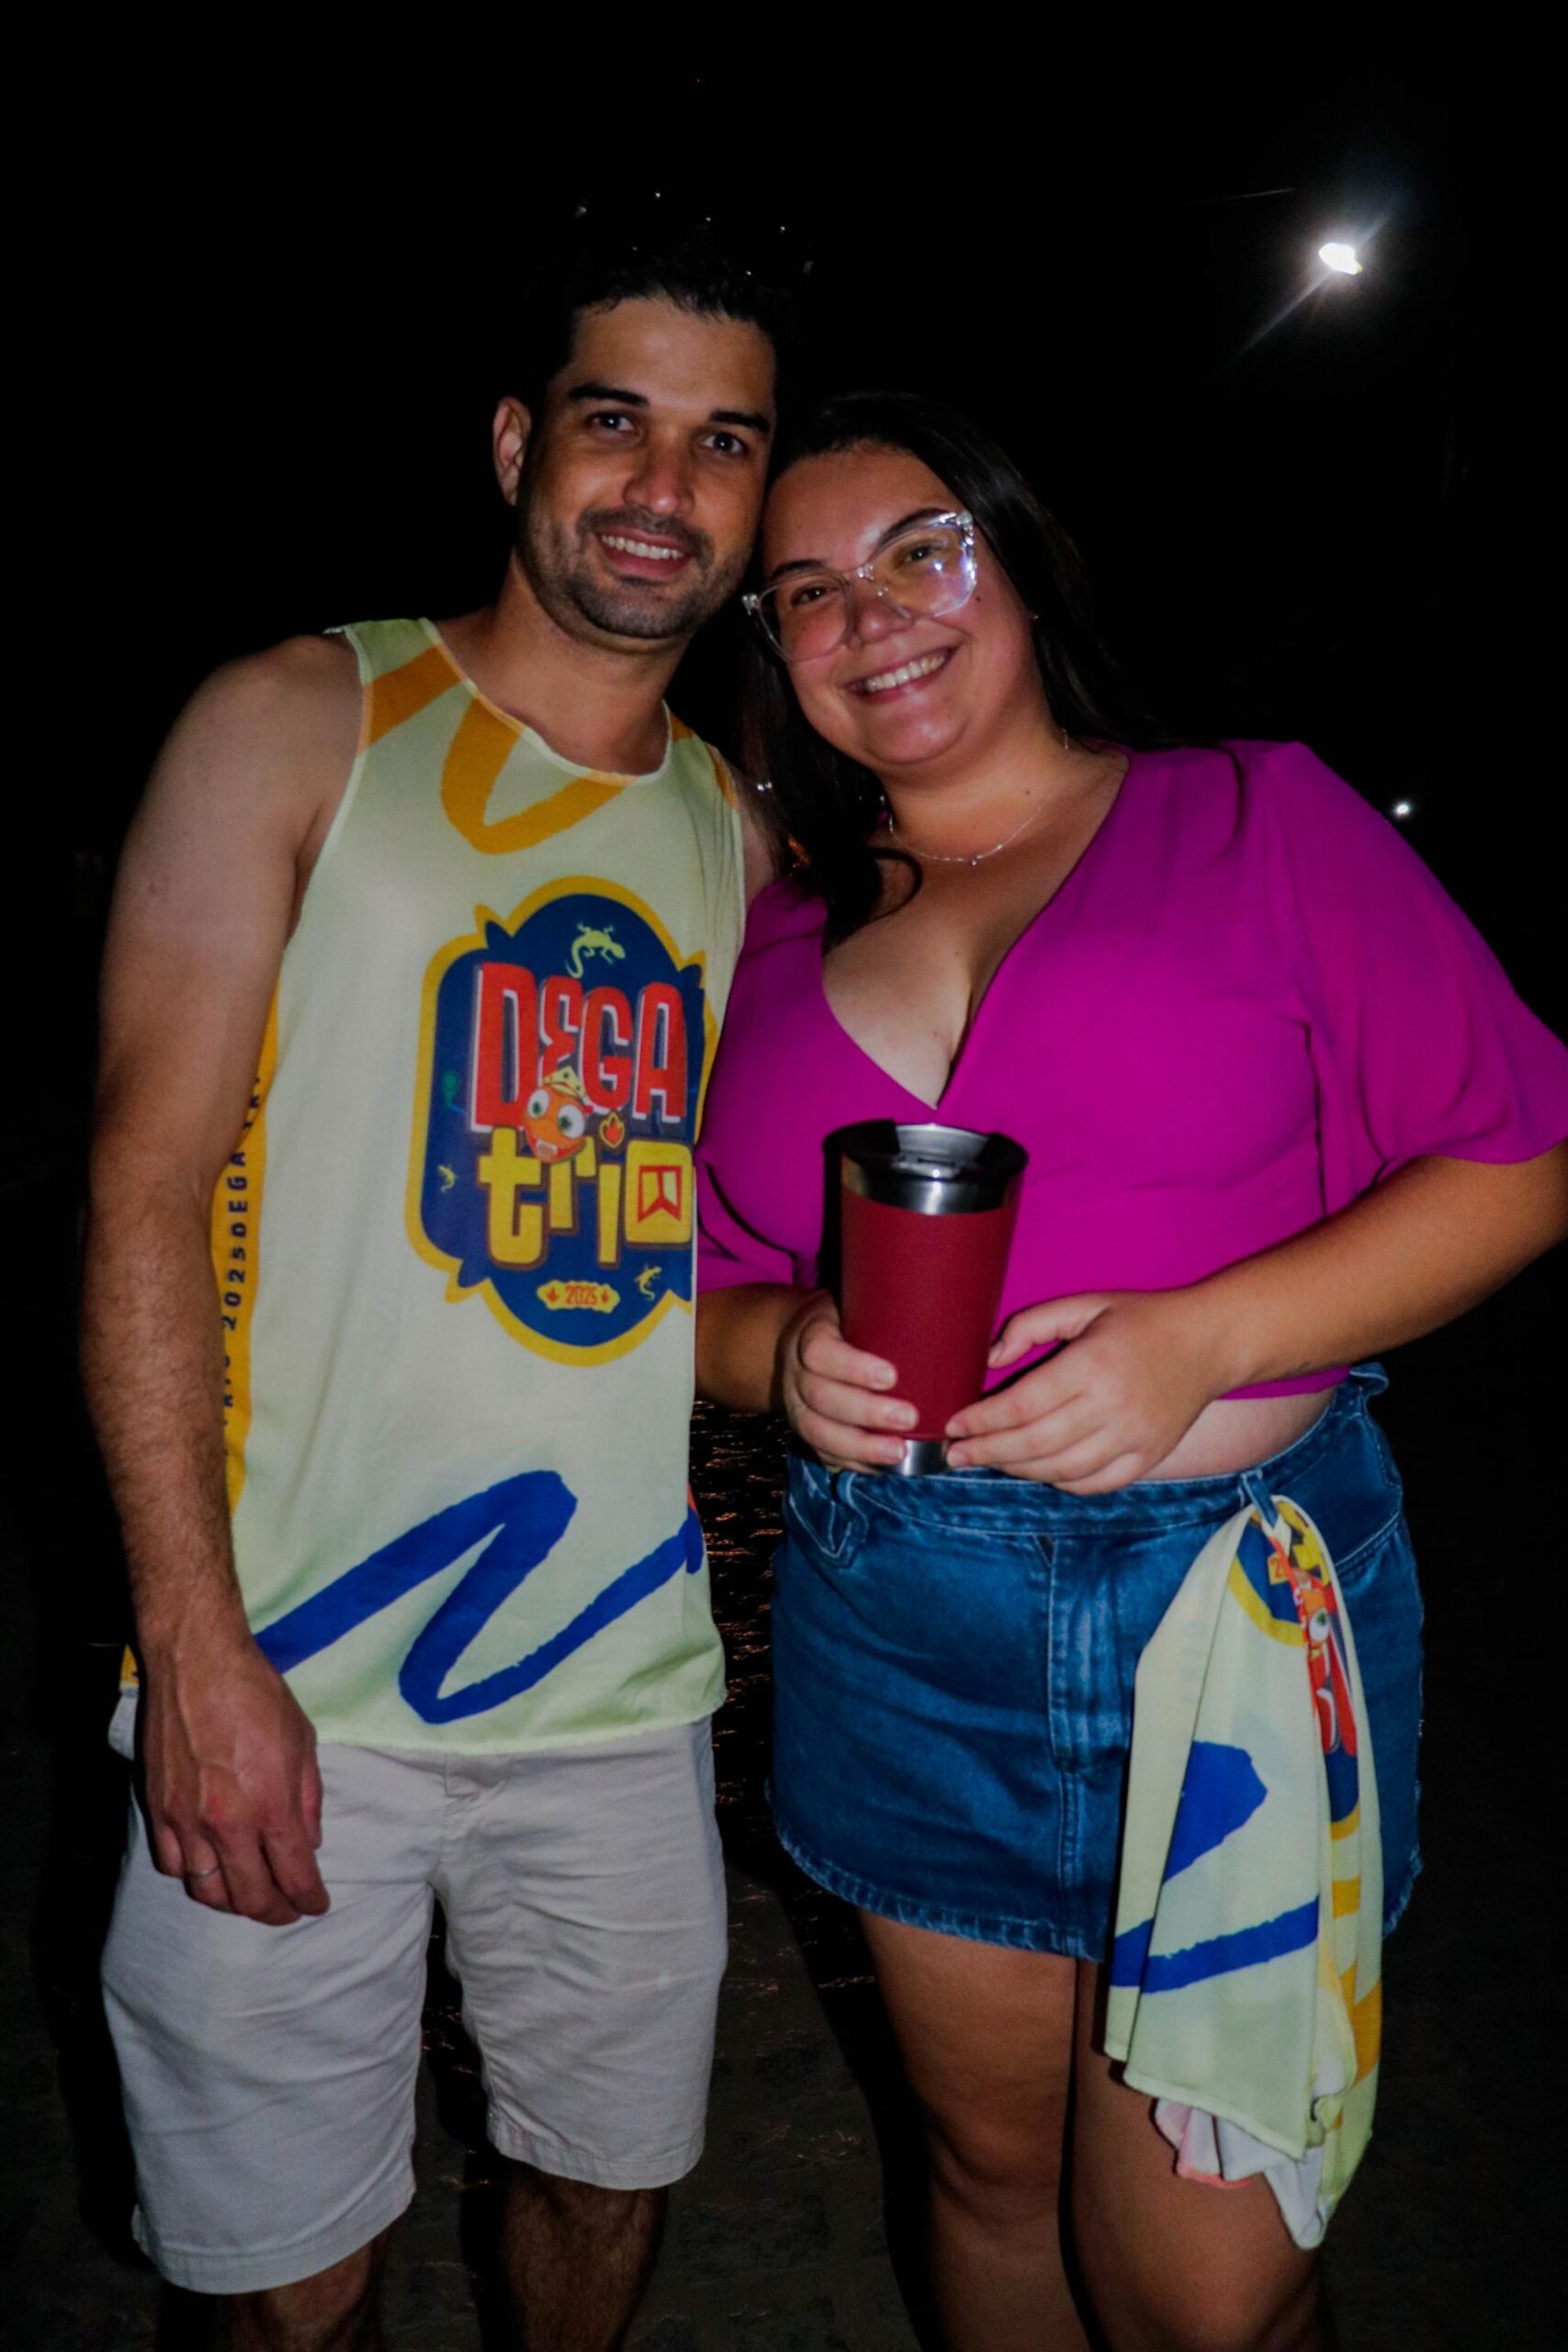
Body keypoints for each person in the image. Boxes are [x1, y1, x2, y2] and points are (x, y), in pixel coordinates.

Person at [695, 390, 1568, 2352]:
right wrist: (776, 1352)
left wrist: (1207, 1336)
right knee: (988, 2175)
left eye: (922, 549)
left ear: (1021, 564)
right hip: (902, 1626)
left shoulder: (1256, 815)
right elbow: (689, 1283)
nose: (870, 615)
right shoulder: (761, 929)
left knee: (1211, 2288)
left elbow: (1519, 1160)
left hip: (1236, 1612)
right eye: (807, 590)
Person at [83, 240, 780, 2352]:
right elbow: (139, 1191)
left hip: (617, 1683)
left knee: (604, 2173)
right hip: (295, 1664)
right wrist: (190, 1640)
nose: (661, 485)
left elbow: (682, 1265)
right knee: (285, 2268)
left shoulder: (730, 831)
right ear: (511, 444)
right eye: (612, 419)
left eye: (722, 442)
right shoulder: (304, 715)